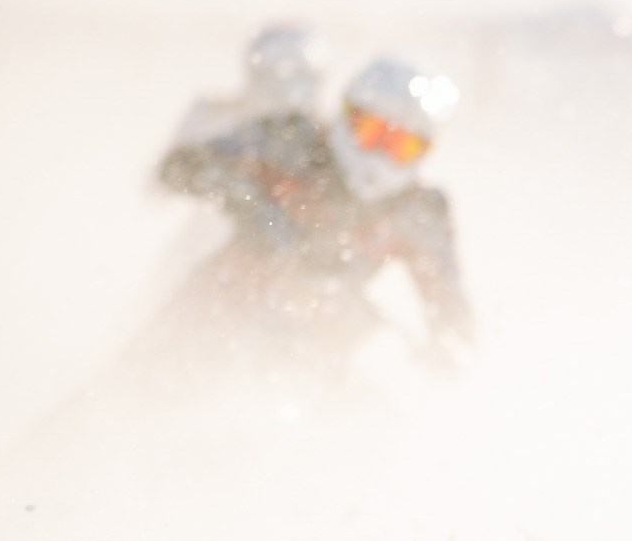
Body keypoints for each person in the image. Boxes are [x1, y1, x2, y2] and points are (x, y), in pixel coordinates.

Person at [155, 55, 473, 368]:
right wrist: (251, 201)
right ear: (346, 115)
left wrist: (444, 351)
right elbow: (180, 167)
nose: (379, 152)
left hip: (323, 334)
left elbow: (451, 312)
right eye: (371, 131)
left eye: (401, 144)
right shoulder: (291, 141)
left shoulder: (419, 210)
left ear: (424, 151)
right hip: (225, 303)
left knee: (378, 353)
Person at [166, 23, 330, 149]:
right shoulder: (216, 118)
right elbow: (174, 173)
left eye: (298, 77)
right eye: (270, 76)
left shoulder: (330, 136)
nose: (283, 89)